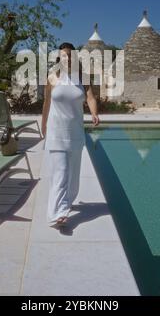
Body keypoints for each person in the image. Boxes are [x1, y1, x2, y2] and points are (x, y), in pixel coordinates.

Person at [41, 42, 99, 227]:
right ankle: (58, 213)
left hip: (75, 132)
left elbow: (90, 97)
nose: (67, 58)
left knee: (73, 175)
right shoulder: (52, 78)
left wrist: (94, 113)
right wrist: (43, 124)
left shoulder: (82, 78)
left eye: (70, 55)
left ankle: (67, 201)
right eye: (63, 55)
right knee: (61, 172)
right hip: (56, 130)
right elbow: (46, 103)